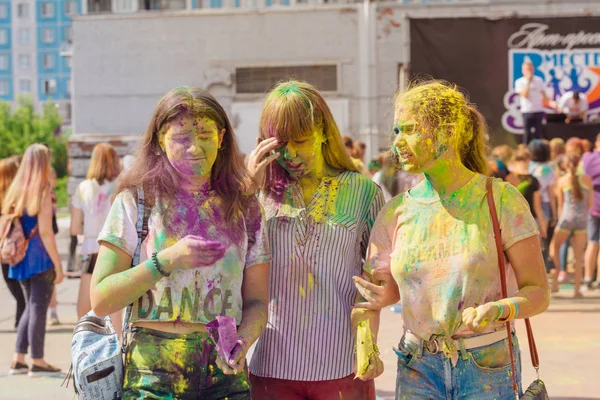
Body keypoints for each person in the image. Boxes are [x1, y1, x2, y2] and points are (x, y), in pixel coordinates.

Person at [353, 81, 549, 399]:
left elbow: (538, 292)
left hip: (486, 365)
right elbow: (371, 298)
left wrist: (500, 308)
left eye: (410, 130)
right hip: (417, 367)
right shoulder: (396, 212)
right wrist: (365, 341)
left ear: (446, 131)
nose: (397, 143)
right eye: (396, 132)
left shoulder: (499, 200)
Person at [90, 87, 271, 399]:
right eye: (181, 136)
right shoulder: (136, 203)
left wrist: (244, 339)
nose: (194, 147)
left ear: (222, 137)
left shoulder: (246, 209)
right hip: (152, 376)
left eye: (204, 133)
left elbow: (256, 302)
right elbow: (101, 299)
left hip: (224, 375)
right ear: (160, 140)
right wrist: (165, 262)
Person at [245, 80, 385, 400]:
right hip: (271, 368)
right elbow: (230, 266)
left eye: (301, 141)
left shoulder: (363, 192)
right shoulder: (259, 194)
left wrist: (369, 341)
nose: (290, 154)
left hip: (343, 367)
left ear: (323, 131)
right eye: (280, 144)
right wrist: (245, 192)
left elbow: (376, 281)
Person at [3, 144, 64, 376]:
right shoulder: (43, 189)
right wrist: (58, 265)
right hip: (39, 257)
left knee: (30, 306)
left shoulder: (16, 189)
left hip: (19, 257)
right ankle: (37, 360)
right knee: (38, 308)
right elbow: (47, 233)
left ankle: (19, 358)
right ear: (43, 162)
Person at [71, 143, 122, 326]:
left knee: (84, 304)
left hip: (90, 247)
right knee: (115, 303)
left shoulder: (83, 187)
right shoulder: (120, 186)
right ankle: (117, 348)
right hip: (114, 248)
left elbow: (74, 227)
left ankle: (83, 344)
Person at [550, 153, 593, 297]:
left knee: (553, 248)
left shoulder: (562, 181)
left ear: (565, 165)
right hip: (582, 220)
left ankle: (555, 282)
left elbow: (561, 204)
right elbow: (590, 203)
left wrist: (557, 219)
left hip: (567, 218)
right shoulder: (587, 179)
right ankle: (576, 290)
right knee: (579, 255)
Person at [0, 156, 26, 329]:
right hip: (13, 246)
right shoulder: (16, 196)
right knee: (19, 285)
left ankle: (21, 318)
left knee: (12, 282)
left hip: (5, 247)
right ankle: (21, 318)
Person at [529, 140, 557, 272]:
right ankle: (540, 269)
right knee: (541, 238)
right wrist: (555, 213)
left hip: (528, 204)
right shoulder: (548, 169)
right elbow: (551, 194)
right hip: (543, 205)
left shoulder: (529, 167)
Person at [515, 58, 552, 144]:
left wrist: (552, 103)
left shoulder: (539, 80)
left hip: (538, 110)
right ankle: (526, 152)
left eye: (531, 69)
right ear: (523, 70)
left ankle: (539, 151)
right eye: (527, 69)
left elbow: (545, 96)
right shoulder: (519, 82)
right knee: (527, 134)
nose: (529, 71)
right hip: (527, 111)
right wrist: (528, 81)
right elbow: (525, 94)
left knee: (538, 134)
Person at [582, 133, 600, 290]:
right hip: (594, 206)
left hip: (592, 206)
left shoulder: (587, 158)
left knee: (592, 243)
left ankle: (588, 277)